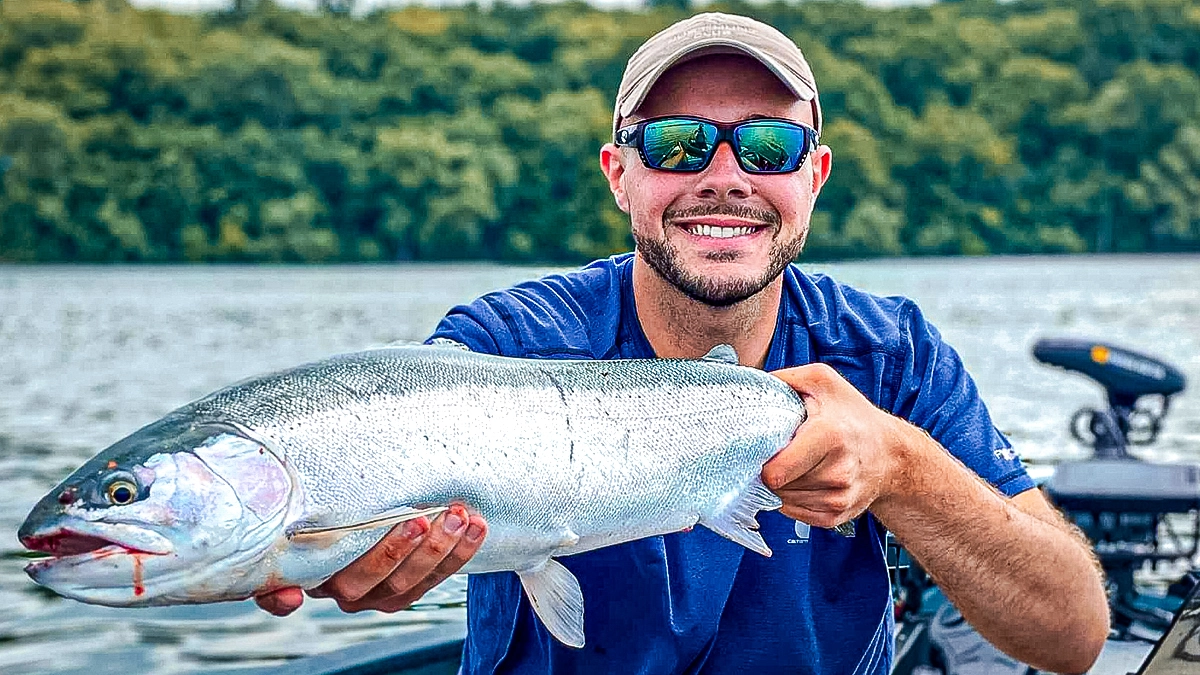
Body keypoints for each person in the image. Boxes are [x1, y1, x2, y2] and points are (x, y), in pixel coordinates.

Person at [256, 13, 1109, 674]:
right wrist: (332, 538)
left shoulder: (891, 355)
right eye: (676, 142)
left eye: (769, 144)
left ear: (814, 174)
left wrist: (898, 465)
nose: (726, 175)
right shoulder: (504, 345)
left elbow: (1071, 634)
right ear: (618, 171)